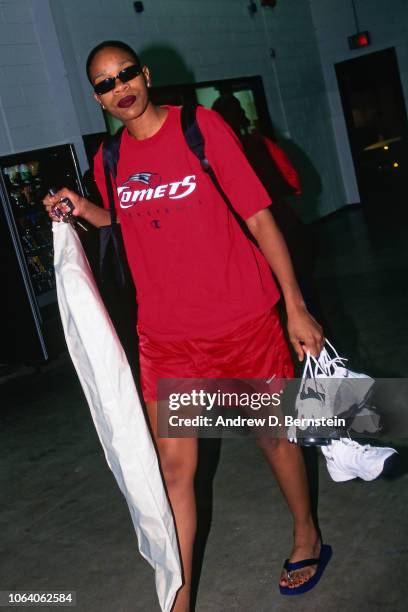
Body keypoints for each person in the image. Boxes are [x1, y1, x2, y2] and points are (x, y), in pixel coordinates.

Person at [43, 40, 328, 611]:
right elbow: (122, 224)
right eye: (104, 82)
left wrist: (294, 305)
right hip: (169, 340)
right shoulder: (109, 158)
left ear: (145, 75)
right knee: (174, 470)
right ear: (95, 95)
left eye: (126, 74)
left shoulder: (200, 128)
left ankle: (307, 535)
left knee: (274, 439)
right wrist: (80, 207)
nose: (119, 87)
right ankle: (179, 597)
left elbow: (259, 216)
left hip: (242, 320)